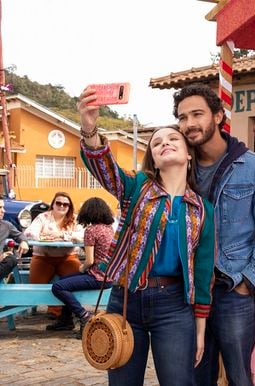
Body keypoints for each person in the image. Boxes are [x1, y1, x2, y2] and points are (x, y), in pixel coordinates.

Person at [79, 87, 215, 386]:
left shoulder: (203, 209)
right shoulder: (137, 187)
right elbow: (107, 170)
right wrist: (90, 129)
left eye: (172, 139)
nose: (164, 143)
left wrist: (201, 328)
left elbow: (204, 272)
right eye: (156, 143)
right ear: (152, 158)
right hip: (126, 300)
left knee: (179, 382)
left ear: (189, 155)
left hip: (175, 306)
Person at [173, 84, 255, 386]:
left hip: (232, 288)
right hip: (189, 292)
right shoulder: (178, 168)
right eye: (182, 117)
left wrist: (248, 281)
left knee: (239, 377)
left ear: (219, 116)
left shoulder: (254, 167)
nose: (189, 124)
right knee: (195, 376)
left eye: (197, 114)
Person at [49, 197, 115, 337]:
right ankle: (66, 320)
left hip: (98, 277)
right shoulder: (109, 229)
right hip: (109, 276)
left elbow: (89, 261)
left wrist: (81, 268)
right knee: (64, 279)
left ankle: (84, 315)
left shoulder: (91, 230)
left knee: (58, 287)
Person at [24, 192, 84, 321]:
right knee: (36, 285)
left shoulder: (75, 219)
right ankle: (56, 310)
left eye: (65, 204)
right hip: (43, 257)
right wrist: (41, 236)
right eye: (58, 203)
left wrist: (62, 235)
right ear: (53, 204)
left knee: (77, 282)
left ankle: (69, 311)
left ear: (69, 206)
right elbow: (29, 232)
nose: (62, 206)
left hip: (68, 257)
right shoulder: (42, 217)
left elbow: (83, 235)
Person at [0, 199, 29, 280]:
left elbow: (19, 235)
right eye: (0, 207)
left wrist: (24, 241)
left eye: (3, 207)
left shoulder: (6, 225)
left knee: (12, 259)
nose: (3, 210)